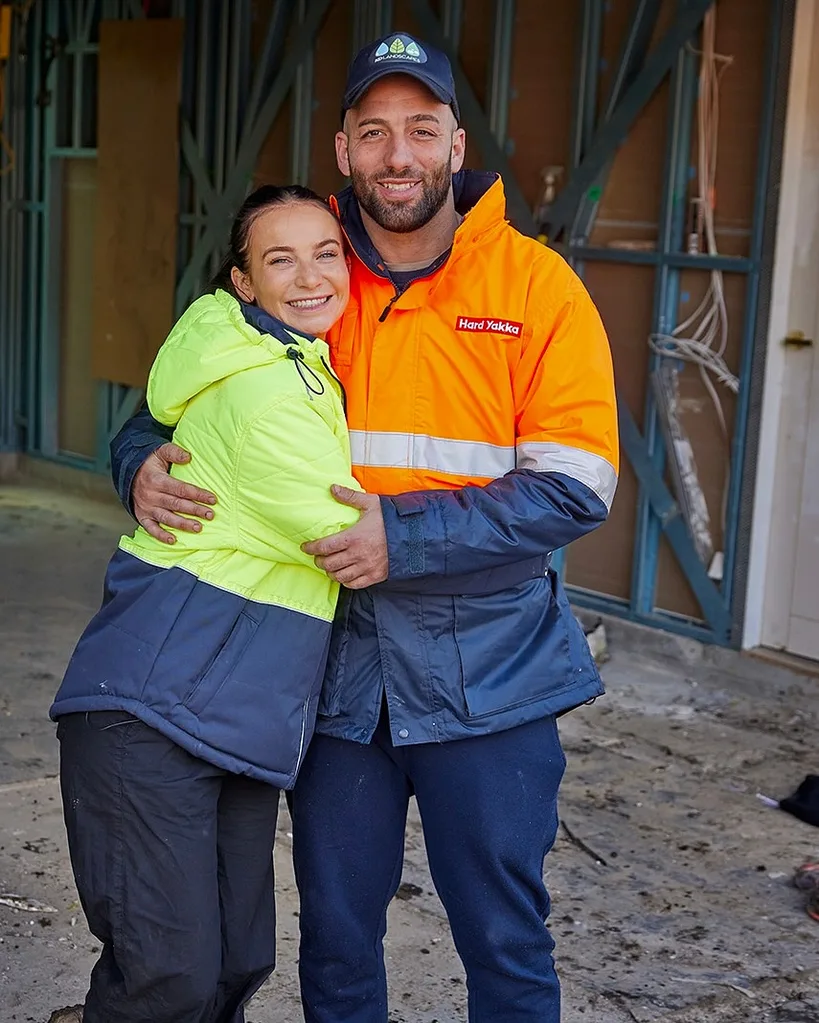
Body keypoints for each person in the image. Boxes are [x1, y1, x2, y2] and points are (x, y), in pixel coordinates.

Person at [110, 32, 619, 1023]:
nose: (399, 154)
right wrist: (137, 465)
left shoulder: (536, 288)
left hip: (493, 669)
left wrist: (409, 540)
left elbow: (576, 487)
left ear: (456, 146)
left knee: (505, 939)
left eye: (421, 130)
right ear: (342, 150)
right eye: (375, 131)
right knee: (337, 939)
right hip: (332, 666)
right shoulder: (305, 273)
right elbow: (167, 405)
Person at [50, 185, 362, 1023]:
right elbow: (360, 543)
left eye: (324, 252)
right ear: (243, 283)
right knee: (168, 980)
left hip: (233, 719)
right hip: (150, 715)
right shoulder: (263, 395)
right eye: (279, 259)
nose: (309, 276)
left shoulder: (299, 364)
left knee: (233, 963)